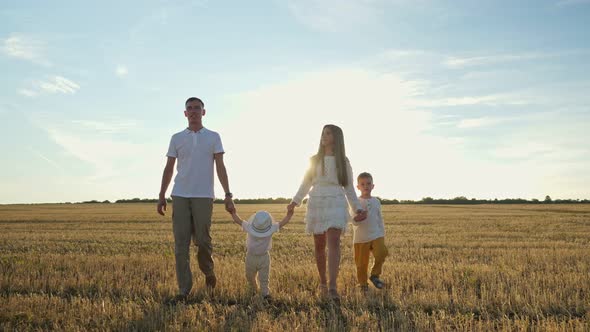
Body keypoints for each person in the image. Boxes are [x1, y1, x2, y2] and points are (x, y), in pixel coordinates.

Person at [157, 97, 235, 301]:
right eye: (189, 109)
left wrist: (228, 194)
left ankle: (209, 274)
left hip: (204, 196)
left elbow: (220, 166)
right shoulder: (176, 138)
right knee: (180, 245)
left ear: (203, 112)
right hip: (180, 194)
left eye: (196, 108)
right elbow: (169, 168)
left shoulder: (213, 137)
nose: (193, 112)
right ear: (185, 113)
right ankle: (184, 290)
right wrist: (161, 195)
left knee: (203, 241)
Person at [287, 124, 367, 300]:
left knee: (334, 243)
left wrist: (358, 208)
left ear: (336, 138)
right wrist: (295, 201)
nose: (324, 136)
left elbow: (348, 188)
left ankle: (332, 286)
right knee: (319, 245)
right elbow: (305, 183)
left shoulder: (343, 161)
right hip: (317, 201)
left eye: (328, 133)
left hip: (336, 202)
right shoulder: (314, 160)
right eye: (323, 133)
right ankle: (323, 281)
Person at [229, 209, 294, 299]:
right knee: (250, 276)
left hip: (256, 257)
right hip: (261, 257)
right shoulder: (271, 228)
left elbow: (238, 220)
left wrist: (233, 212)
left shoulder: (249, 227)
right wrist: (289, 214)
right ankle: (254, 289)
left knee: (263, 278)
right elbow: (283, 222)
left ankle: (265, 294)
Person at [352, 172, 388, 292]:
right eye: (362, 184)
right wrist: (358, 218)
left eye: (368, 183)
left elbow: (379, 218)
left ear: (373, 186)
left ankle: (375, 275)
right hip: (361, 237)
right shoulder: (355, 202)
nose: (366, 186)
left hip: (376, 234)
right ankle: (363, 285)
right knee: (361, 264)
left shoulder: (376, 201)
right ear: (358, 187)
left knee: (382, 253)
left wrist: (382, 233)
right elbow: (352, 220)